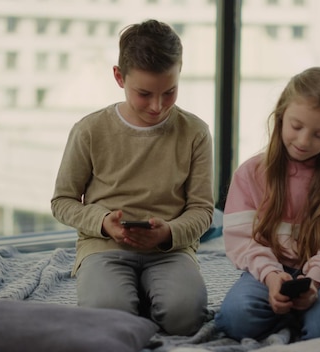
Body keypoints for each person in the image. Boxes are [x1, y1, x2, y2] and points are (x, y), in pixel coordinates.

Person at [51, 19, 214, 336]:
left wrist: (168, 232)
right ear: (118, 77)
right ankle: (130, 296)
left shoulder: (195, 132)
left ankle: (142, 294)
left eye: (169, 92)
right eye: (144, 93)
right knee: (110, 321)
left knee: (186, 319)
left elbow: (203, 210)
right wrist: (102, 221)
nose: (157, 106)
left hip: (171, 251)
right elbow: (62, 202)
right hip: (104, 248)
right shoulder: (89, 130)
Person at [214, 67, 320, 342]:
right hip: (266, 271)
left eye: (319, 134)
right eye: (296, 126)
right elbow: (241, 239)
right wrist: (271, 277)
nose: (304, 141)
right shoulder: (250, 173)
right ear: (281, 115)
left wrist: (314, 281)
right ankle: (296, 313)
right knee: (235, 319)